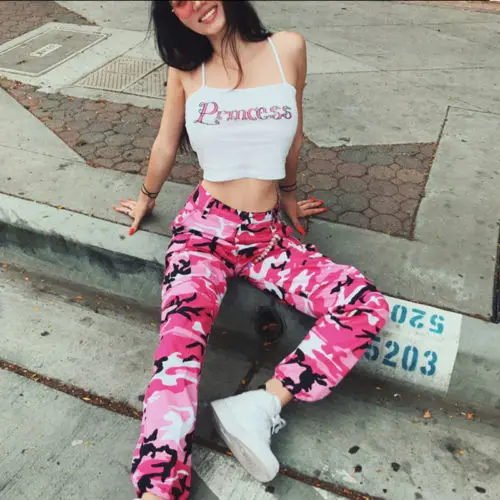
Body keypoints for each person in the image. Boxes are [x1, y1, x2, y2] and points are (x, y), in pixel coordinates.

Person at [113, 1, 389, 499]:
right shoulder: (186, 69)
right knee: (177, 353)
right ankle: (158, 485)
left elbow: (294, 133)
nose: (196, 4)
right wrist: (146, 199)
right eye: (178, 1)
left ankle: (261, 405)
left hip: (268, 238)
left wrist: (288, 196)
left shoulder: (288, 48)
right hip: (204, 232)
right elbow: (165, 143)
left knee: (362, 303)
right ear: (174, 16)